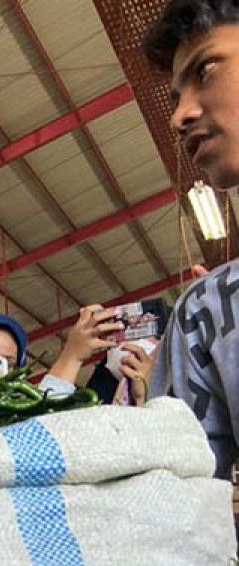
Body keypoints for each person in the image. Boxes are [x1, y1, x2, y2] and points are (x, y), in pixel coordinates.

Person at [144, 0, 239, 478]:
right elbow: (183, 511)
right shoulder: (207, 311)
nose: (179, 116)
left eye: (207, 68)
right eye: (176, 95)